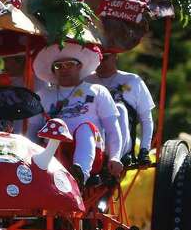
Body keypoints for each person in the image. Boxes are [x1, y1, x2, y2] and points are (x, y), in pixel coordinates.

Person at [33, 42, 123, 186]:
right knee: (53, 131)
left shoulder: (97, 91)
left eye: (69, 64)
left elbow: (112, 129)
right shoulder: (42, 95)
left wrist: (115, 157)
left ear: (80, 66)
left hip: (92, 153)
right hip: (53, 151)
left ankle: (81, 175)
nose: (64, 69)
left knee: (85, 128)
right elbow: (33, 130)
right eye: (58, 66)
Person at [84, 51, 156, 163]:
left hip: (123, 146)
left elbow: (146, 120)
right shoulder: (84, 82)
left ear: (115, 56)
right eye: (96, 57)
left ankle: (114, 158)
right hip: (93, 142)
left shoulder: (133, 81)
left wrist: (144, 150)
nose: (99, 61)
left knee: (119, 109)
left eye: (104, 57)